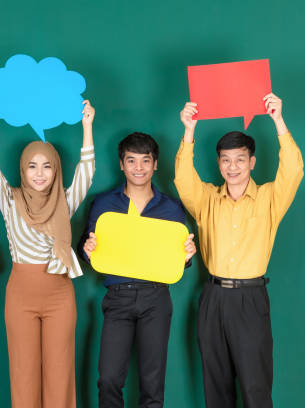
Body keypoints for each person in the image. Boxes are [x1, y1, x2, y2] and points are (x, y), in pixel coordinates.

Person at [174, 93, 304, 408]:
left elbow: (294, 170)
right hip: (213, 297)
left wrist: (278, 120)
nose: (233, 167)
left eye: (240, 159)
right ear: (218, 163)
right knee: (216, 387)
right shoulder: (206, 199)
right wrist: (189, 129)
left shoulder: (269, 199)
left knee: (256, 387)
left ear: (252, 162)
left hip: (250, 299)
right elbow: (182, 178)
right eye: (226, 160)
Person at [0, 94, 95, 408]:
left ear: (56, 170)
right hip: (20, 294)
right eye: (32, 166)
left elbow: (86, 171)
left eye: (47, 166)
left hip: (59, 294)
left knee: (60, 372)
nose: (40, 173)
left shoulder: (65, 202)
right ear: (22, 169)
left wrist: (87, 126)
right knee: (23, 373)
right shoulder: (9, 199)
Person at [79, 132, 197, 408]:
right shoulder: (104, 205)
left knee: (152, 384)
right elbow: (89, 252)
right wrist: (87, 250)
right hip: (117, 297)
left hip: (156, 298)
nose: (139, 168)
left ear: (156, 164)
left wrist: (187, 256)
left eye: (146, 161)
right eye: (132, 161)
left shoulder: (171, 208)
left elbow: (177, 258)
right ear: (122, 164)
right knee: (108, 378)